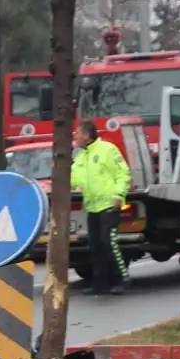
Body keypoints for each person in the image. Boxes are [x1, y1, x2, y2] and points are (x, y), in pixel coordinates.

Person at [71, 121, 131, 296]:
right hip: (93, 207)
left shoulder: (107, 149)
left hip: (109, 206)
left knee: (109, 242)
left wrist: (118, 196)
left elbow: (123, 173)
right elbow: (73, 179)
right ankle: (100, 283)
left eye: (77, 133)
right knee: (95, 245)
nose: (75, 137)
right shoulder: (81, 157)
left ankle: (120, 279)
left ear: (86, 135)